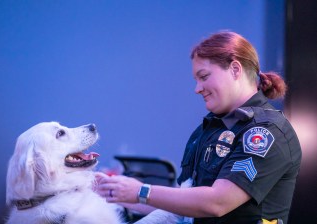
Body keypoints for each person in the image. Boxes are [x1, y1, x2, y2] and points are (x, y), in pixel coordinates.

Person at [96, 31, 302, 224]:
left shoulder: (266, 131)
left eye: (204, 77)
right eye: (196, 80)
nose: (197, 89)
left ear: (235, 69)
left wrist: (141, 191)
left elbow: (218, 202)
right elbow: (182, 209)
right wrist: (115, 192)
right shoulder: (210, 129)